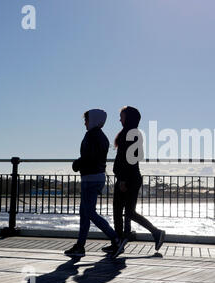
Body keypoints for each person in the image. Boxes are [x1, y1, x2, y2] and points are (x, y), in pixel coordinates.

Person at [103, 106, 165, 254]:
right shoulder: (131, 133)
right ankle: (122, 240)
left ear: (129, 118)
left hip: (128, 178)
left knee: (122, 211)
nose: (119, 119)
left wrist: (123, 179)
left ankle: (122, 241)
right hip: (130, 177)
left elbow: (130, 159)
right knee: (125, 211)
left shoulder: (131, 134)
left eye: (122, 116)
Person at [64, 109, 126, 259]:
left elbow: (88, 157)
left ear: (92, 120)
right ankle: (80, 246)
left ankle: (116, 239)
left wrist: (76, 164)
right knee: (85, 213)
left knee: (89, 213)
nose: (85, 123)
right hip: (97, 177)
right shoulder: (102, 136)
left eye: (86, 120)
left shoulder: (91, 135)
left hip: (90, 178)